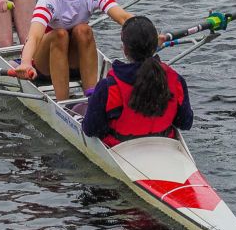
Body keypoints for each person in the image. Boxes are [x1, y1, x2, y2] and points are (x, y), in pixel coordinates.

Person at [15, 0, 131, 101]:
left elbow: (123, 17)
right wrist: (25, 62)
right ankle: (63, 104)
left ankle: (92, 98)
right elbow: (34, 37)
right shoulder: (49, 0)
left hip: (75, 62)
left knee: (84, 30)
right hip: (44, 66)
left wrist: (148, 34)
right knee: (60, 35)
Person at [81, 16, 193, 146]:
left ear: (125, 49)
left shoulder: (108, 86)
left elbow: (90, 130)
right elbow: (185, 123)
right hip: (164, 145)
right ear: (155, 46)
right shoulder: (176, 80)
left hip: (120, 148)